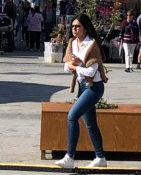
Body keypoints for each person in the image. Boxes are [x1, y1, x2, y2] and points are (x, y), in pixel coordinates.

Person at [56, 13, 108, 170]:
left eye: (78, 26)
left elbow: (92, 71)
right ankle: (100, 157)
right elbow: (66, 66)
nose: (74, 29)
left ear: (85, 28)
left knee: (72, 116)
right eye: (72, 26)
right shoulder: (72, 43)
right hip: (82, 86)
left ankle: (69, 157)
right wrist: (73, 66)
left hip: (94, 87)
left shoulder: (91, 45)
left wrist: (75, 66)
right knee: (91, 124)